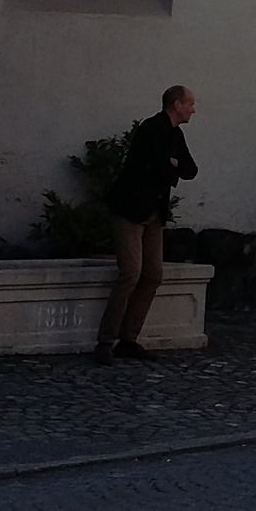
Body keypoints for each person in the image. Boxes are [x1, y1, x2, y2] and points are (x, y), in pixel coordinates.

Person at [95, 86, 199, 365]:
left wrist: (172, 164)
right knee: (130, 272)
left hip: (154, 212)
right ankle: (105, 341)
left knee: (153, 274)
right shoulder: (151, 129)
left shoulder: (176, 134)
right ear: (176, 104)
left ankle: (129, 339)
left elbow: (190, 169)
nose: (193, 110)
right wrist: (172, 165)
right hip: (130, 209)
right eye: (190, 104)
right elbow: (159, 167)